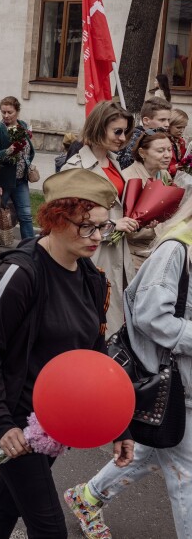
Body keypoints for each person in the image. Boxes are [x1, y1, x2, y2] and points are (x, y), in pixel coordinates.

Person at [0, 168, 134, 538]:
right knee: (49, 527)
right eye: (87, 226)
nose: (97, 237)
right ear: (56, 218)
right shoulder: (20, 275)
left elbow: (94, 355)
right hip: (14, 420)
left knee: (6, 504)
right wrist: (1, 423)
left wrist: (117, 425)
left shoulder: (90, 277)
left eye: (103, 227)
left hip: (54, 421)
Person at [63, 201, 192, 539]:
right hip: (172, 383)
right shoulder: (177, 249)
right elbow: (152, 317)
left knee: (156, 445)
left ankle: (87, 497)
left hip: (179, 385)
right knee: (186, 475)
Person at [62, 101, 139, 332]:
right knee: (92, 319)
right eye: (117, 131)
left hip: (117, 253)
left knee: (113, 317)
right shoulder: (76, 167)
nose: (123, 138)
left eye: (125, 132)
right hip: (90, 255)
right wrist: (114, 224)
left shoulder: (114, 162)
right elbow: (68, 216)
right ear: (98, 127)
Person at [0, 97, 35, 260]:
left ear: (17, 111)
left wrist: (27, 163)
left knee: (26, 216)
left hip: (21, 180)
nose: (6, 115)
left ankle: (30, 250)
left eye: (9, 112)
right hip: (4, 180)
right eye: (3, 112)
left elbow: (27, 150)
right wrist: (9, 151)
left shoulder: (23, 126)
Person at [122, 130, 173, 271]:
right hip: (136, 256)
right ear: (142, 153)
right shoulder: (128, 179)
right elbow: (125, 230)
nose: (167, 155)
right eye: (160, 151)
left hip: (158, 251)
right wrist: (146, 225)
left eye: (169, 149)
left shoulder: (164, 175)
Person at [116, 97, 172, 169]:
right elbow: (127, 169)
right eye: (162, 120)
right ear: (146, 121)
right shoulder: (134, 140)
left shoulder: (160, 138)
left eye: (168, 120)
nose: (167, 124)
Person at [168, 108, 188, 178]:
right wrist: (174, 168)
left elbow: (183, 159)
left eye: (184, 127)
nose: (182, 131)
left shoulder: (181, 142)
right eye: (178, 127)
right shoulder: (163, 141)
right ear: (169, 125)